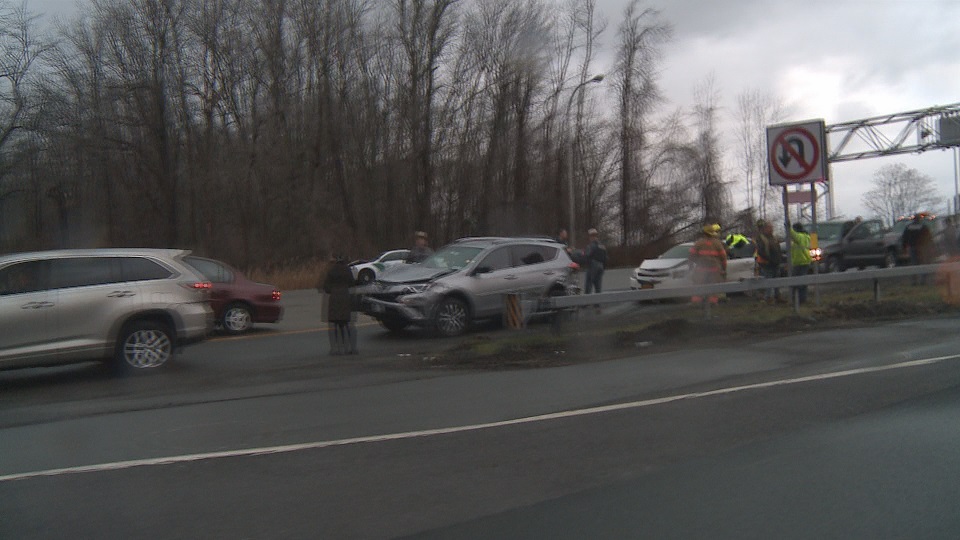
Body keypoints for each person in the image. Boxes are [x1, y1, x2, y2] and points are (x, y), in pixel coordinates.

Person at [322, 255, 357, 355]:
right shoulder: (347, 270)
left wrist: (332, 290)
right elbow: (352, 283)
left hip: (334, 297)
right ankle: (349, 347)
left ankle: (336, 348)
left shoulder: (331, 270)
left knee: (335, 324)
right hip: (345, 297)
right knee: (346, 323)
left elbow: (326, 287)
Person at [690, 223, 727, 305]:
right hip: (714, 270)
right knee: (713, 288)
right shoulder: (717, 243)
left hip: (701, 270)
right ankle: (712, 304)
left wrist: (696, 263)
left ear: (704, 233)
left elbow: (691, 256)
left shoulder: (698, 243)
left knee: (698, 287)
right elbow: (723, 258)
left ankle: (696, 303)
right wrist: (724, 269)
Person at [754, 220, 783, 303]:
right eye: (770, 228)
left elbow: (778, 249)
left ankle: (777, 296)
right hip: (766, 263)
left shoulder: (774, 238)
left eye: (772, 228)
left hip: (775, 262)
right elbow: (761, 251)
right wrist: (769, 259)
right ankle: (768, 297)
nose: (771, 229)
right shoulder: (761, 238)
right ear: (765, 228)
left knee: (776, 280)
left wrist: (778, 259)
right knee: (768, 280)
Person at [901, 214, 934, 285]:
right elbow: (929, 237)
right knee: (923, 264)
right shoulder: (923, 227)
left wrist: (904, 248)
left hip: (912, 247)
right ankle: (923, 281)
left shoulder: (908, 227)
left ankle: (914, 281)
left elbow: (904, 238)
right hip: (922, 248)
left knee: (914, 264)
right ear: (919, 219)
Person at [789, 222, 812, 304]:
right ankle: (802, 299)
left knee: (796, 282)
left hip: (800, 262)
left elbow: (794, 236)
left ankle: (798, 300)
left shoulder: (801, 237)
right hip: (805, 261)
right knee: (802, 282)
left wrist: (788, 228)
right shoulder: (807, 236)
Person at [579, 228, 606, 295]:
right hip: (601, 266)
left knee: (588, 285)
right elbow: (605, 257)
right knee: (598, 287)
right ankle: (598, 300)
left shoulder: (591, 245)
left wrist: (582, 255)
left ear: (591, 236)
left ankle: (586, 300)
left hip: (593, 266)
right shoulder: (602, 246)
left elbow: (587, 255)